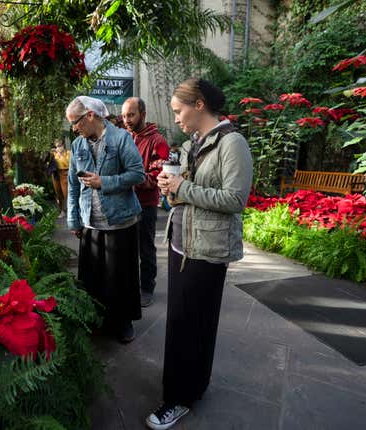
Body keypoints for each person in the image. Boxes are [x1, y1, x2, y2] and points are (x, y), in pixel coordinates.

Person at [146, 78, 253, 430]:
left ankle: (178, 398)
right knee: (186, 322)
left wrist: (183, 188)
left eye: (179, 111)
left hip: (208, 250)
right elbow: (186, 193)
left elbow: (235, 199)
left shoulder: (232, 143)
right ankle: (193, 387)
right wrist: (171, 189)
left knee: (190, 325)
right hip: (181, 243)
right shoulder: (195, 143)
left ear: (200, 104)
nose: (176, 118)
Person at [65, 96, 146, 343]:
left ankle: (123, 323)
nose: (74, 128)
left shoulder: (120, 139)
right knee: (94, 280)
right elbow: (72, 186)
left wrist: (105, 183)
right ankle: (97, 321)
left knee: (120, 278)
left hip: (120, 223)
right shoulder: (78, 145)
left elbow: (138, 174)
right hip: (90, 223)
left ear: (90, 115)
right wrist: (74, 219)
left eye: (75, 122)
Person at [122, 97, 170, 307]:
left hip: (145, 204)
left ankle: (147, 289)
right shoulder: (125, 137)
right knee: (126, 248)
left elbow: (159, 176)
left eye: (131, 115)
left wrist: (126, 181)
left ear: (143, 114)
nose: (126, 120)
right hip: (124, 203)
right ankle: (130, 286)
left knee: (146, 248)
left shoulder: (157, 141)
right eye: (124, 116)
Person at [50, 137, 70, 217]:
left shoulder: (68, 153)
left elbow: (71, 163)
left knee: (66, 193)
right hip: (56, 174)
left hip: (65, 173)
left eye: (60, 145)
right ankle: (62, 210)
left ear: (63, 145)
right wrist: (52, 152)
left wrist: (61, 155)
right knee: (58, 193)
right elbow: (46, 159)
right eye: (57, 146)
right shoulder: (54, 154)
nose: (59, 148)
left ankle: (71, 210)